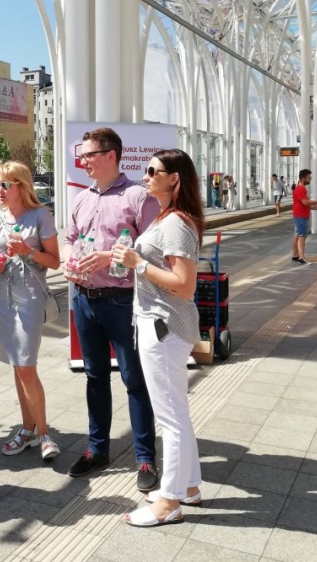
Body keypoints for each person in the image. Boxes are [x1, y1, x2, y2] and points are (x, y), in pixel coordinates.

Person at [110, 149, 205, 528]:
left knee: (170, 418)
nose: (146, 175)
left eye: (154, 171)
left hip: (163, 327)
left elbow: (184, 285)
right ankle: (190, 487)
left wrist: (138, 263)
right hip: (160, 325)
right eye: (147, 169)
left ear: (175, 179)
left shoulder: (176, 223)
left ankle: (169, 502)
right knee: (176, 411)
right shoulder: (167, 216)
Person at [63, 127, 161, 492]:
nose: (83, 161)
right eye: (82, 155)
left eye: (88, 154)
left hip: (123, 301)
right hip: (83, 298)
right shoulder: (81, 198)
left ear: (110, 155)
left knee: (134, 380)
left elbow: (153, 250)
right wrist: (69, 259)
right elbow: (71, 239)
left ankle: (145, 457)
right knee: (95, 377)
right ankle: (97, 449)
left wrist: (111, 256)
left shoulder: (137, 196)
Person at [0, 161, 62, 461]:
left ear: (22, 186)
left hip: (29, 296)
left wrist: (28, 252)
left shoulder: (40, 215)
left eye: (6, 184)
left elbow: (54, 261)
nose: (0, 190)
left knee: (26, 365)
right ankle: (27, 430)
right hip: (1, 296)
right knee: (18, 366)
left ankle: (43, 434)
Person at [291, 169, 317, 265]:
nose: (310, 179)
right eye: (309, 178)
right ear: (303, 178)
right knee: (302, 236)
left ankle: (295, 255)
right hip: (301, 215)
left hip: (298, 214)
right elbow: (305, 202)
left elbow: (302, 203)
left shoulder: (298, 188)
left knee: (297, 235)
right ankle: (301, 257)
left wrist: (312, 207)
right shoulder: (301, 189)